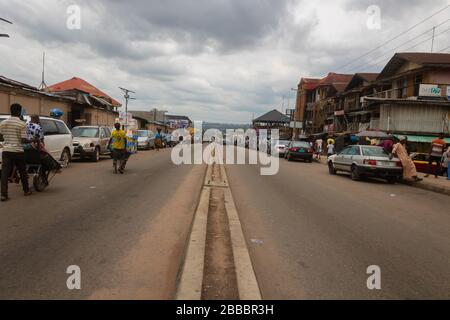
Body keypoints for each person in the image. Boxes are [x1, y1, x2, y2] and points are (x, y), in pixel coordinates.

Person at [0, 103, 32, 202]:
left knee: (4, 173)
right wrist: (32, 140)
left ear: (11, 111)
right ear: (19, 111)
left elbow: (0, 137)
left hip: (6, 151)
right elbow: (23, 140)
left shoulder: (3, 123)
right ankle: (26, 191)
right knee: (22, 171)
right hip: (18, 151)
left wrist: (7, 140)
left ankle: (3, 195)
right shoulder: (22, 124)